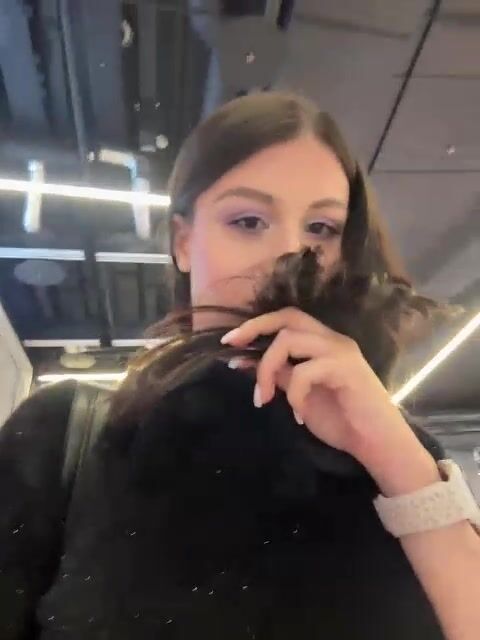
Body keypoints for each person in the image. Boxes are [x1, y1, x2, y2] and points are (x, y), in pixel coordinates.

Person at [0, 92, 479, 640]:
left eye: (321, 229)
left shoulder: (398, 456)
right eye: (249, 221)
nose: (289, 254)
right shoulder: (69, 438)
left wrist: (396, 458)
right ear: (183, 242)